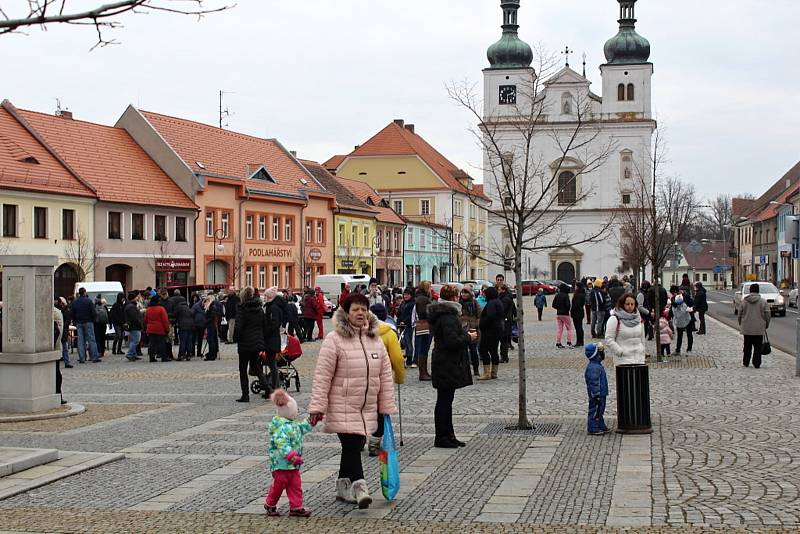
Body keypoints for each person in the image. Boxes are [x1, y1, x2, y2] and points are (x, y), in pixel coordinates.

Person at [309, 293, 397, 509]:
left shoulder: (375, 339)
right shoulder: (334, 339)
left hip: (367, 406)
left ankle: (342, 487)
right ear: (346, 313)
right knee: (351, 444)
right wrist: (317, 407)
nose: (360, 313)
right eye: (355, 309)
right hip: (342, 403)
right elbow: (323, 375)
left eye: (363, 309)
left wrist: (385, 406)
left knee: (354, 445)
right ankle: (360, 487)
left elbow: (385, 376)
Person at [429, 284, 476, 448]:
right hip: (446, 362)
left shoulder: (446, 314)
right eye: (457, 295)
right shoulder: (447, 316)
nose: (459, 298)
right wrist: (468, 338)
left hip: (446, 362)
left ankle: (448, 434)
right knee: (444, 401)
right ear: (453, 298)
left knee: (446, 400)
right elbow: (451, 341)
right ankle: (442, 436)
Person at [264, 389, 313, 518]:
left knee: (295, 486)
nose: (296, 413)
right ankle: (270, 504)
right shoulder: (280, 426)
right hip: (281, 464)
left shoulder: (293, 424)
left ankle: (296, 507)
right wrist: (290, 455)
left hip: (293, 465)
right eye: (295, 411)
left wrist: (311, 421)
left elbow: (302, 428)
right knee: (278, 486)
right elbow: (281, 443)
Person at [367, 303, 406, 457]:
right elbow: (397, 358)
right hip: (381, 376)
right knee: (379, 410)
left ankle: (359, 439)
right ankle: (374, 443)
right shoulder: (389, 333)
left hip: (360, 375)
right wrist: (399, 377)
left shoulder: (360, 330)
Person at [233, 286, 270, 402]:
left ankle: (245, 395)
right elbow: (264, 325)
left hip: (245, 343)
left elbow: (239, 326)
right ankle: (268, 389)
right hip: (257, 343)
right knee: (256, 367)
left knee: (243, 369)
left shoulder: (242, 309)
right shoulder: (259, 309)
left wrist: (236, 338)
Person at [604, 293, 646, 365]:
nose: (630, 306)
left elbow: (642, 338)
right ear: (622, 304)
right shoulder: (614, 319)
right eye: (627, 304)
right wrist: (619, 351)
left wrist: (643, 351)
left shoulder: (639, 319)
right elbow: (609, 339)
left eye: (632, 304)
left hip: (639, 359)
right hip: (623, 360)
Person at [738, 283, 770, 368]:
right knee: (757, 347)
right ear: (758, 290)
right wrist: (766, 324)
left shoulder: (744, 301)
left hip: (747, 328)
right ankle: (756, 363)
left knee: (747, 346)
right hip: (759, 328)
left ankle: (746, 362)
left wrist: (741, 323)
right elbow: (767, 314)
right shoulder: (763, 301)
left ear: (750, 291)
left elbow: (740, 314)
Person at [478, 286, 503, 380]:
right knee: (493, 350)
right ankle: (494, 372)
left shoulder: (491, 303)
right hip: (496, 330)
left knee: (483, 350)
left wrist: (482, 324)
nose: (484, 296)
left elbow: (490, 316)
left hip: (489, 331)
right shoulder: (498, 301)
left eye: (485, 294)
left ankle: (486, 373)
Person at [584, 343, 609, 435]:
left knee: (600, 410)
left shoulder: (596, 366)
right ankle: (593, 427)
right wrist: (596, 394)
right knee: (595, 410)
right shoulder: (594, 368)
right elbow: (594, 382)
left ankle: (600, 425)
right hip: (597, 395)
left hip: (601, 393)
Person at [70, 287, 99, 363]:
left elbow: (72, 314)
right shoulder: (89, 301)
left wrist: (75, 321)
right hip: (88, 322)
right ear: (85, 292)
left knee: (80, 341)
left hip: (79, 322)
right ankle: (94, 357)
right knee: (91, 340)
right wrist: (94, 320)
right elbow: (94, 312)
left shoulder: (75, 302)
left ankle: (82, 358)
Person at [263, 287, 284, 391]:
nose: (265, 298)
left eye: (266, 296)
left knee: (272, 364)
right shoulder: (272, 306)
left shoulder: (273, 308)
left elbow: (275, 324)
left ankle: (275, 386)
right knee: (271, 363)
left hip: (272, 339)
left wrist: (266, 331)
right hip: (272, 338)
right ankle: (274, 385)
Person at [459, 286, 482, 377]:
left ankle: (476, 369)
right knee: (463, 350)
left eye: (466, 292)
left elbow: (479, 315)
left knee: (473, 350)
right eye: (463, 292)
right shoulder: (459, 303)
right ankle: (464, 369)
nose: (464, 294)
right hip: (462, 328)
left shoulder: (474, 303)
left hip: (472, 328)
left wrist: (477, 324)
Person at [413, 281, 433, 381]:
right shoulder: (423, 299)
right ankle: (423, 372)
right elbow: (423, 312)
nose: (431, 288)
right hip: (425, 324)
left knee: (424, 347)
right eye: (429, 287)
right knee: (424, 348)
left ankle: (424, 371)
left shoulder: (422, 297)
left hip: (424, 324)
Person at [144, 296, 170, 362]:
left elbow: (145, 320)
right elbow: (165, 320)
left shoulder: (148, 309)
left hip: (150, 329)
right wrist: (167, 329)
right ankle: (164, 358)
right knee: (162, 344)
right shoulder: (161, 309)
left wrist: (146, 327)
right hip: (160, 329)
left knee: (152, 344)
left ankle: (151, 358)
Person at [397, 288, 416, 367]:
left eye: (407, 294)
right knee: (403, 342)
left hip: (408, 325)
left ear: (411, 295)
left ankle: (409, 359)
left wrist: (404, 321)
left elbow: (411, 315)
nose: (405, 296)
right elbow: (400, 313)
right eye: (404, 294)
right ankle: (405, 357)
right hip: (401, 325)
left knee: (408, 342)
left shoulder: (412, 304)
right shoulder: (403, 303)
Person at [498, 284, 516, 363]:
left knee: (503, 340)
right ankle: (505, 356)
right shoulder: (508, 298)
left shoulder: (504, 299)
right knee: (504, 340)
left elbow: (502, 310)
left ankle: (504, 357)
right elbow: (514, 308)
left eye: (499, 289)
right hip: (507, 320)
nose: (498, 291)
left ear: (503, 290)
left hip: (504, 321)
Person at [124, 292, 143, 361]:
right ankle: (130, 354)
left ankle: (134, 354)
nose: (137, 298)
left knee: (133, 340)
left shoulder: (130, 306)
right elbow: (134, 317)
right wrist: (139, 323)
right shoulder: (131, 307)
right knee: (135, 341)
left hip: (132, 326)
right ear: (133, 298)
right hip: (134, 326)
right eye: (136, 297)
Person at [553, 284, 573, 348]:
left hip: (558, 314)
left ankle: (558, 342)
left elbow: (553, 305)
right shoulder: (566, 296)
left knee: (560, 329)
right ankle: (569, 342)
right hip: (565, 314)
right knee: (569, 328)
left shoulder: (557, 295)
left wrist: (558, 308)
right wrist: (567, 309)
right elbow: (568, 305)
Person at [174, 295, 194, 360]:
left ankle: (181, 355)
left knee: (183, 341)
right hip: (190, 326)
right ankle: (189, 355)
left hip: (183, 326)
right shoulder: (188, 307)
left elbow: (175, 315)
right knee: (189, 341)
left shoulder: (179, 307)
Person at [55, 297, 73, 368]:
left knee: (61, 346)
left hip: (59, 331)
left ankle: (63, 361)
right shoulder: (64, 310)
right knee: (64, 347)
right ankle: (66, 362)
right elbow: (67, 320)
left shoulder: (57, 310)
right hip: (63, 330)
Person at [203, 295, 221, 361]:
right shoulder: (212, 306)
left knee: (211, 340)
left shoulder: (212, 307)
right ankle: (212, 353)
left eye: (207, 300)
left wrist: (206, 321)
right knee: (211, 340)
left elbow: (212, 316)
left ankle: (212, 354)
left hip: (211, 325)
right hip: (211, 325)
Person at [571, 283, 586, 347]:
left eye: (576, 286)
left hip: (577, 313)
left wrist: (572, 310)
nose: (575, 287)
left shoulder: (578, 295)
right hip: (580, 312)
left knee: (578, 328)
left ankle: (579, 342)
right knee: (580, 327)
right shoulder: (582, 294)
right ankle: (581, 341)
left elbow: (576, 305)